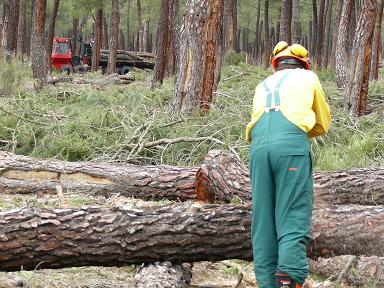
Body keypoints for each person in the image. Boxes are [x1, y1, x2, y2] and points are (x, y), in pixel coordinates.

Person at [246, 41, 331, 288]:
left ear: (276, 65)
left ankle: (267, 283)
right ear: (303, 65)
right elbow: (323, 124)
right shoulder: (309, 78)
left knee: (263, 221)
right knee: (292, 213)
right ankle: (289, 279)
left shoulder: (262, 85)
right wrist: (297, 132)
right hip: (290, 148)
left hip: (258, 149)